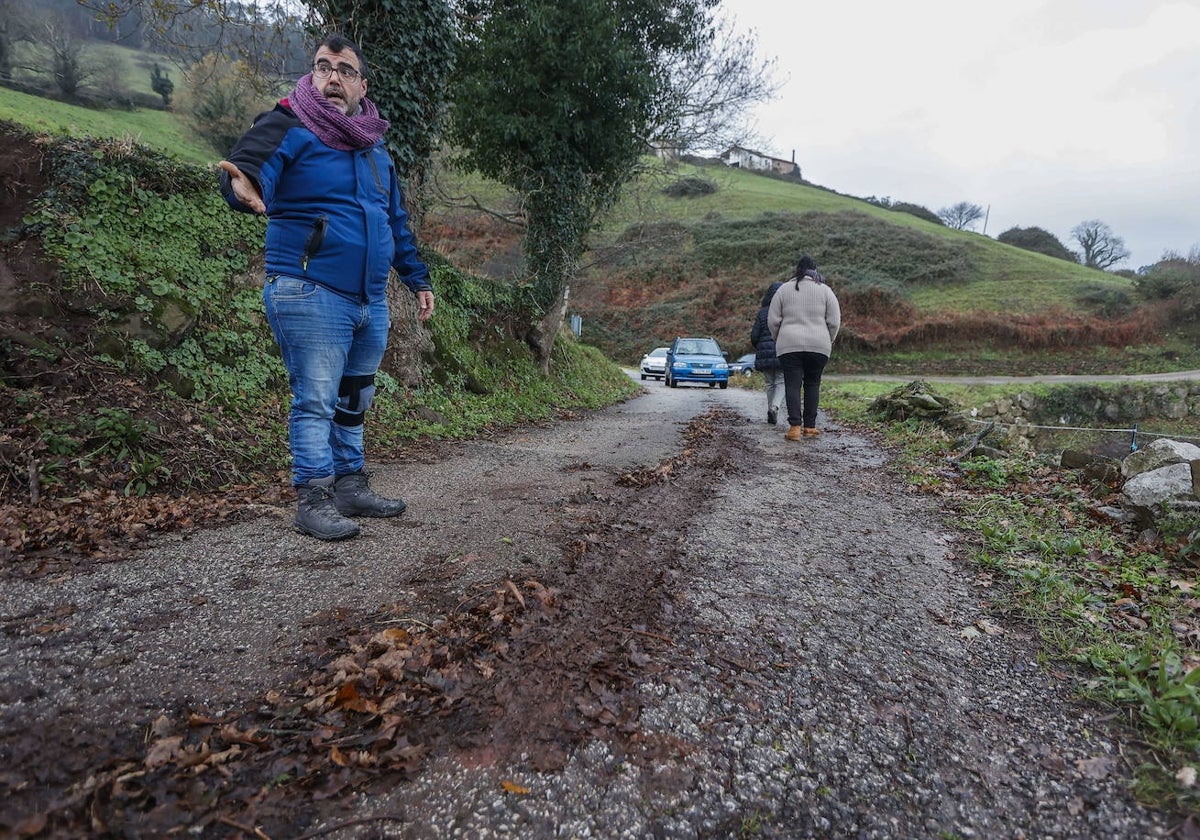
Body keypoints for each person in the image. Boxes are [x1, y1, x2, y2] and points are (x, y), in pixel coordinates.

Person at [218, 33, 435, 541]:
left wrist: (417, 278)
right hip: (308, 289)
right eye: (322, 67)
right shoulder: (290, 123)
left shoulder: (376, 149)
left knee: (355, 396)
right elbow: (250, 163)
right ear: (312, 74)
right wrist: (242, 183)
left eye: (343, 69)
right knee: (315, 399)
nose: (331, 77)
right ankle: (313, 497)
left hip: (369, 298)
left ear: (362, 83)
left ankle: (350, 485)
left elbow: (395, 221)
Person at [768, 254, 841, 442]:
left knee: (792, 384)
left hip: (789, 345)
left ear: (797, 270)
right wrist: (828, 340)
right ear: (815, 270)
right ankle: (810, 427)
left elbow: (773, 320)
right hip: (819, 345)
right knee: (813, 383)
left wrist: (779, 338)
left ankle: (794, 428)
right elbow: (834, 321)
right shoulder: (826, 290)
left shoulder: (783, 290)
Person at [750, 280, 785, 425]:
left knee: (770, 383)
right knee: (781, 380)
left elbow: (754, 335)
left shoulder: (763, 312)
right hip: (782, 350)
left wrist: (759, 347)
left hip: (764, 352)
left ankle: (771, 410)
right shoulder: (785, 310)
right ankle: (775, 407)